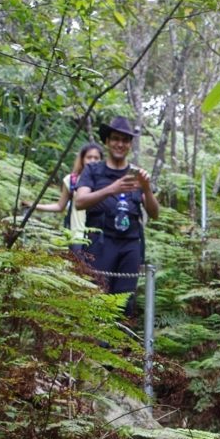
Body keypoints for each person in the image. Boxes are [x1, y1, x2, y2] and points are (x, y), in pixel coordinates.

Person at [74, 116, 159, 314]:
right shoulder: (93, 170)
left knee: (125, 302)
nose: (120, 144)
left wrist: (146, 189)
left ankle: (120, 345)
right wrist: (111, 189)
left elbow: (154, 213)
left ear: (130, 144)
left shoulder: (137, 174)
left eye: (125, 140)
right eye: (115, 139)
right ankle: (96, 344)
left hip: (130, 246)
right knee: (98, 296)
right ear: (107, 141)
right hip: (100, 243)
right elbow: (80, 202)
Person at [30, 142, 103, 253]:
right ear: (82, 159)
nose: (92, 161)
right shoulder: (72, 180)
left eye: (96, 158)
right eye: (89, 157)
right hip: (77, 236)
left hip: (101, 238)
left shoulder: (106, 182)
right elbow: (60, 206)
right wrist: (34, 206)